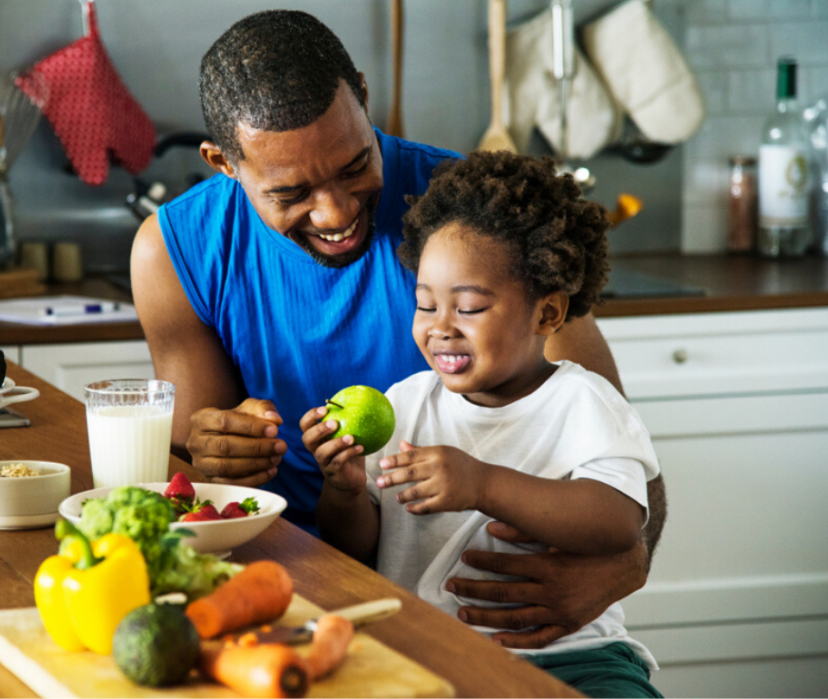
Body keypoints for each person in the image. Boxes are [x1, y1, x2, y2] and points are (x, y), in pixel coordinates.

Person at [130, 8, 668, 651]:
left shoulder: (470, 222)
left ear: (362, 93)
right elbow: (196, 482)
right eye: (291, 192)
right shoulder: (175, 251)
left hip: (488, 617)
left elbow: (622, 455)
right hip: (276, 587)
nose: (336, 212)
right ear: (225, 162)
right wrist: (212, 451)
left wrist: (623, 569)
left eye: (356, 165)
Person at [302, 150, 662, 697]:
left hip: (572, 656)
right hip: (426, 651)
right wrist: (345, 491)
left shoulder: (584, 403)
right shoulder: (406, 404)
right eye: (426, 305)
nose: (440, 329)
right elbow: (358, 550)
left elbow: (617, 523)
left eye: (467, 308)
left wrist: (483, 483)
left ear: (547, 314)